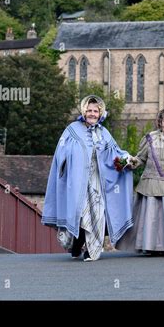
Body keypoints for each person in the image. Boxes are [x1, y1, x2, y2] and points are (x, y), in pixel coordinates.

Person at [42, 95, 134, 261]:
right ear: (84, 111)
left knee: (96, 215)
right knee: (80, 215)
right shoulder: (72, 130)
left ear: (100, 113)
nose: (92, 114)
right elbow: (61, 153)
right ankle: (76, 245)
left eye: (96, 111)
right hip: (76, 182)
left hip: (97, 182)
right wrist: (66, 168)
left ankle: (92, 251)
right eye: (89, 110)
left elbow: (115, 154)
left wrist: (126, 160)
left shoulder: (103, 133)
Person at [116, 108, 164, 257]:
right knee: (152, 215)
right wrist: (131, 162)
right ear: (160, 122)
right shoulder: (150, 138)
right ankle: (150, 246)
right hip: (151, 182)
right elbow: (141, 158)